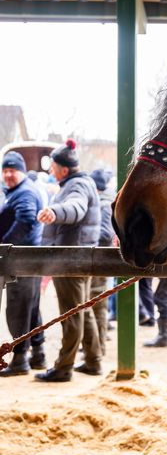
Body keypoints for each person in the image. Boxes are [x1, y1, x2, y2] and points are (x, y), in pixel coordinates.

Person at [35, 139, 101, 382]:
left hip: (70, 260)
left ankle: (64, 367)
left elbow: (75, 208)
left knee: (71, 314)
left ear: (63, 169)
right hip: (80, 258)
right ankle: (93, 360)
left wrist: (55, 212)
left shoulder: (76, 187)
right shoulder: (80, 183)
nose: (50, 171)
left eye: (53, 167)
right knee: (83, 310)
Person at [0, 151, 46, 376]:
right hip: (28, 259)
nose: (8, 174)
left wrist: (3, 244)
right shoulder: (15, 191)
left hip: (21, 259)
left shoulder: (25, 192)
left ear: (22, 171)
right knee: (31, 307)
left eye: (12, 170)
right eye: (5, 170)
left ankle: (20, 360)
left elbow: (26, 221)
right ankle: (38, 354)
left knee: (17, 308)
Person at [81, 168, 116, 355]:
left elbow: (104, 234)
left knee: (97, 304)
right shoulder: (108, 202)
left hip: (100, 259)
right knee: (97, 303)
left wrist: (89, 239)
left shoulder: (103, 205)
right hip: (101, 258)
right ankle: (97, 344)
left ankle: (99, 345)